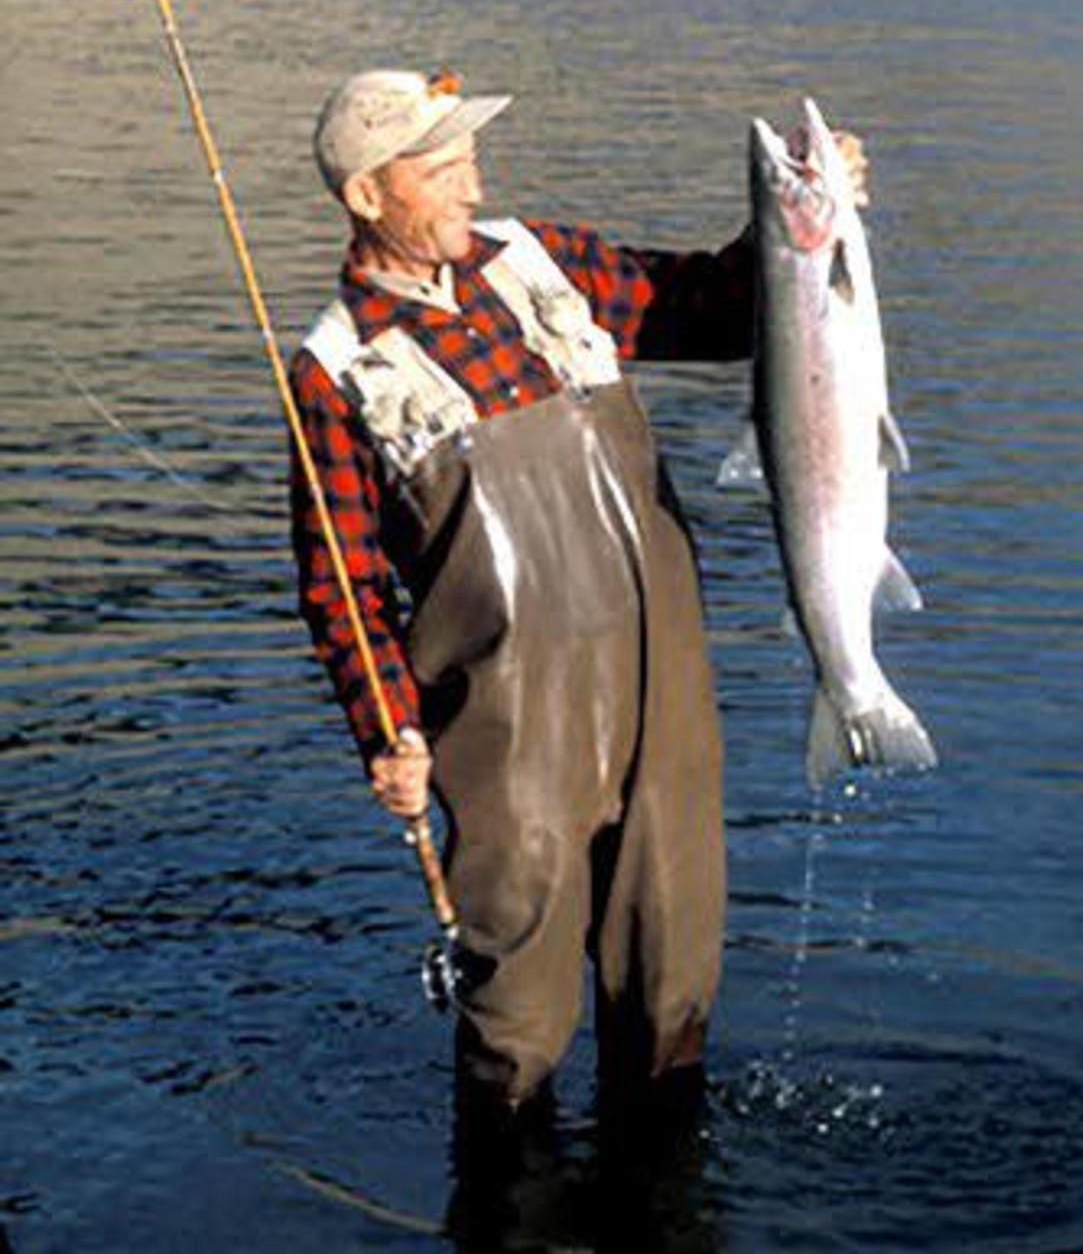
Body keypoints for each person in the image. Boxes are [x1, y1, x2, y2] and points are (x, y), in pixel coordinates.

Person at [289, 65, 867, 1126]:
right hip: (510, 741)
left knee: (672, 985)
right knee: (519, 1024)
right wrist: (389, 734)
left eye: (472, 161)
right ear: (368, 195)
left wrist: (801, 238)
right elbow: (342, 587)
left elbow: (716, 309)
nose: (472, 186)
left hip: (667, 706)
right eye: (443, 169)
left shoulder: (540, 258)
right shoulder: (333, 372)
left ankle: (665, 1191)